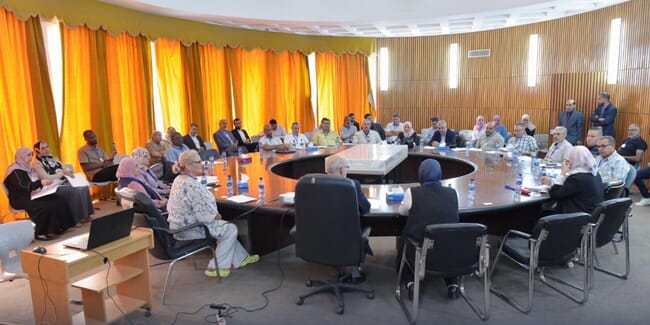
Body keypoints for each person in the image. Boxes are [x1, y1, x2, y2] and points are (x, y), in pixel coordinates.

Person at [167, 150, 259, 277]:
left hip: (178, 226)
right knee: (229, 228)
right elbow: (207, 216)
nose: (202, 164)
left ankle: (241, 258)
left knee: (223, 226)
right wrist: (218, 216)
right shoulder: (191, 184)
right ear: (188, 165)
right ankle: (216, 267)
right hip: (189, 229)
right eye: (198, 162)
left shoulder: (179, 179)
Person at [398, 159, 460, 300]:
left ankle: (411, 283)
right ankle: (452, 284)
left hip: (419, 250)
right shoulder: (452, 193)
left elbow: (402, 212)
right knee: (446, 245)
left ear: (421, 175)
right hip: (447, 249)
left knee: (406, 240)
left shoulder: (412, 192)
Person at [4, 147, 75, 240]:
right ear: (21, 156)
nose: (30, 157)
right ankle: (40, 233)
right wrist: (41, 183)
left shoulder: (28, 168)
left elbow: (35, 182)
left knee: (58, 199)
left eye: (31, 155)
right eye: (28, 155)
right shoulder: (14, 171)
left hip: (33, 194)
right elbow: (24, 185)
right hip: (20, 198)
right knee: (44, 206)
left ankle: (59, 227)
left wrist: (47, 185)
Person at [324, 155, 372, 281]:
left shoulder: (316, 184)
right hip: (347, 238)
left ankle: (335, 266)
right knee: (365, 229)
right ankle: (352, 269)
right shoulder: (352, 185)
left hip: (322, 237)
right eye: (346, 168)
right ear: (341, 170)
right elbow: (365, 208)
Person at [32, 140, 94, 224]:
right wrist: (61, 174)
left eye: (47, 147)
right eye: (43, 148)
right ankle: (75, 219)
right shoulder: (36, 163)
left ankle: (85, 215)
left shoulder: (53, 158)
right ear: (37, 150)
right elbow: (46, 177)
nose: (47, 150)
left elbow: (65, 167)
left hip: (62, 182)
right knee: (73, 191)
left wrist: (67, 171)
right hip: (51, 186)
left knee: (83, 187)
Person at [540, 146, 604, 214]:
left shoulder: (577, 178)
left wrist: (562, 173)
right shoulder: (595, 174)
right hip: (588, 215)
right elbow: (569, 187)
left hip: (574, 218)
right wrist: (552, 181)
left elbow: (554, 194)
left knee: (537, 213)